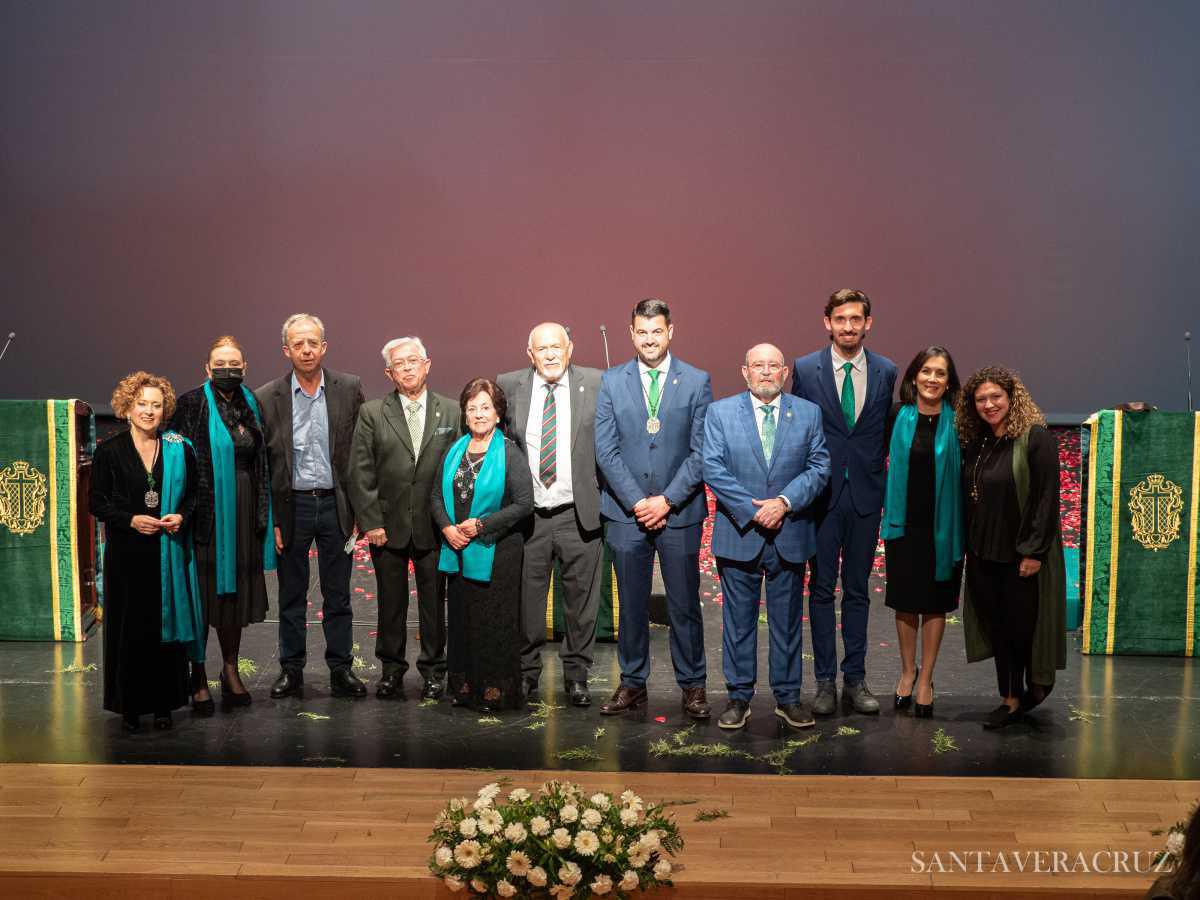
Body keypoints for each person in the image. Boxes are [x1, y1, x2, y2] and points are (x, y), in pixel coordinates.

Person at [595, 298, 714, 719]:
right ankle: (632, 684)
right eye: (641, 332)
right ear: (631, 334)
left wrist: (665, 500)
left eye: (657, 331)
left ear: (670, 331)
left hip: (679, 513)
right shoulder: (611, 382)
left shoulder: (697, 381)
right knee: (630, 603)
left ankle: (693, 687)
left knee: (684, 602)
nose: (649, 339)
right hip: (627, 513)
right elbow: (606, 452)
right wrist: (638, 502)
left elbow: (701, 453)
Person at [702, 343, 830, 730]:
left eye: (774, 365)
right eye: (758, 365)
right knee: (738, 624)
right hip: (740, 533)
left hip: (788, 533)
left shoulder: (808, 414)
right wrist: (756, 509)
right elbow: (712, 466)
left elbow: (819, 466)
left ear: (785, 373)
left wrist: (784, 503)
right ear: (745, 371)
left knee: (788, 622)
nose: (766, 372)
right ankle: (738, 697)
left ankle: (788, 697)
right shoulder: (720, 413)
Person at [790, 288, 897, 716]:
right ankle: (824, 683)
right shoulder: (805, 369)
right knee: (820, 590)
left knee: (857, 591)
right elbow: (798, 429)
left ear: (868, 323)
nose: (848, 327)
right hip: (821, 497)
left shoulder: (887, 371)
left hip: (866, 496)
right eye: (841, 319)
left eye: (856, 319)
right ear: (827, 323)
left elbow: (884, 432)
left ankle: (856, 679)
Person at [256, 314, 367, 699]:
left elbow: (360, 453)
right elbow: (264, 464)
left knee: (338, 594)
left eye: (312, 342)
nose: (306, 349)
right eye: (298, 344)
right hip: (293, 507)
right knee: (291, 593)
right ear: (286, 350)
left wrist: (358, 512)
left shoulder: (348, 388)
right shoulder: (267, 396)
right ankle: (292, 669)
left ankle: (341, 669)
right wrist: (271, 519)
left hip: (336, 505)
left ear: (324, 346)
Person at [497, 322, 604, 707]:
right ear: (530, 355)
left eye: (557, 346)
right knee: (527, 604)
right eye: (542, 349)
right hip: (531, 519)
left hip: (579, 515)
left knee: (581, 604)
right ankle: (526, 675)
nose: (551, 354)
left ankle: (577, 676)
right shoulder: (509, 386)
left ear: (570, 348)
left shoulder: (596, 383)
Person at [349, 337, 461, 700]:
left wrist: (452, 522)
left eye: (414, 360)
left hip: (435, 526)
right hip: (388, 527)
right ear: (389, 372)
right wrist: (371, 523)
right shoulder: (372, 413)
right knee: (390, 603)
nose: (408, 367)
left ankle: (433, 670)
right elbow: (360, 472)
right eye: (400, 363)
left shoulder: (452, 410)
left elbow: (460, 470)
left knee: (433, 602)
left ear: (427, 364)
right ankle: (391, 670)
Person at [168, 336, 275, 714]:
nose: (227, 371)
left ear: (245, 368)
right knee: (203, 598)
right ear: (206, 368)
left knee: (233, 601)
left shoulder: (251, 402)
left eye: (234, 365)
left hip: (244, 512)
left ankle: (230, 669)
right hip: (206, 516)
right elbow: (176, 460)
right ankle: (197, 675)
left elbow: (261, 460)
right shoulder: (190, 403)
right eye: (220, 364)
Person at [91, 372, 202, 731]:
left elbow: (195, 495)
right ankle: (129, 707)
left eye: (156, 405)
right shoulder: (109, 450)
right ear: (126, 406)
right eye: (142, 404)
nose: (149, 411)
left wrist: (181, 515)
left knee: (163, 629)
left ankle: (165, 705)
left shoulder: (179, 448)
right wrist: (130, 520)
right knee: (129, 630)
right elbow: (97, 503)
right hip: (127, 555)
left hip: (167, 552)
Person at [957, 366, 1066, 730]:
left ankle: (1026, 692)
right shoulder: (979, 442)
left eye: (995, 397)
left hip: (1019, 557)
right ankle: (1010, 696)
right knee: (998, 628)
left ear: (1011, 397)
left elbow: (1046, 499)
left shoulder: (1036, 439)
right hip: (983, 554)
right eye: (981, 399)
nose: (989, 405)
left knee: (1021, 630)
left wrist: (1032, 552)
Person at [431, 378, 533, 713]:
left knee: (494, 625)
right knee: (462, 622)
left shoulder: (509, 452)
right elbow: (435, 495)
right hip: (458, 551)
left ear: (498, 413)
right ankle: (464, 688)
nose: (478, 414)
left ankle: (493, 692)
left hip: (497, 553)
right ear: (464, 413)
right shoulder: (455, 449)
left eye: (485, 407)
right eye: (472, 408)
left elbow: (523, 504)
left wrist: (480, 525)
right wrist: (447, 528)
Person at [881, 347, 964, 718]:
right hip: (904, 527)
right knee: (905, 603)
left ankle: (927, 678)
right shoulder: (898, 416)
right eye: (926, 371)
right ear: (914, 377)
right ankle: (906, 671)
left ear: (949, 382)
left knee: (935, 604)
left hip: (944, 529)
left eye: (940, 373)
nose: (932, 379)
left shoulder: (961, 422)